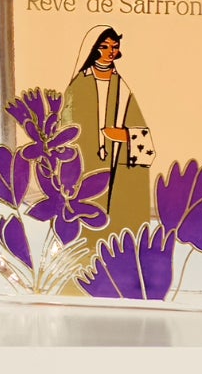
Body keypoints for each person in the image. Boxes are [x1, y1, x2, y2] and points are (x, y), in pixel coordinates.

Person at [60, 26, 157, 236]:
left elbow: (138, 127)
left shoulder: (122, 87)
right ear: (94, 48)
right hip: (84, 160)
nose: (110, 52)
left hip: (117, 161)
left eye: (114, 46)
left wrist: (126, 136)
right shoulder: (79, 84)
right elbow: (66, 123)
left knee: (118, 215)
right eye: (104, 46)